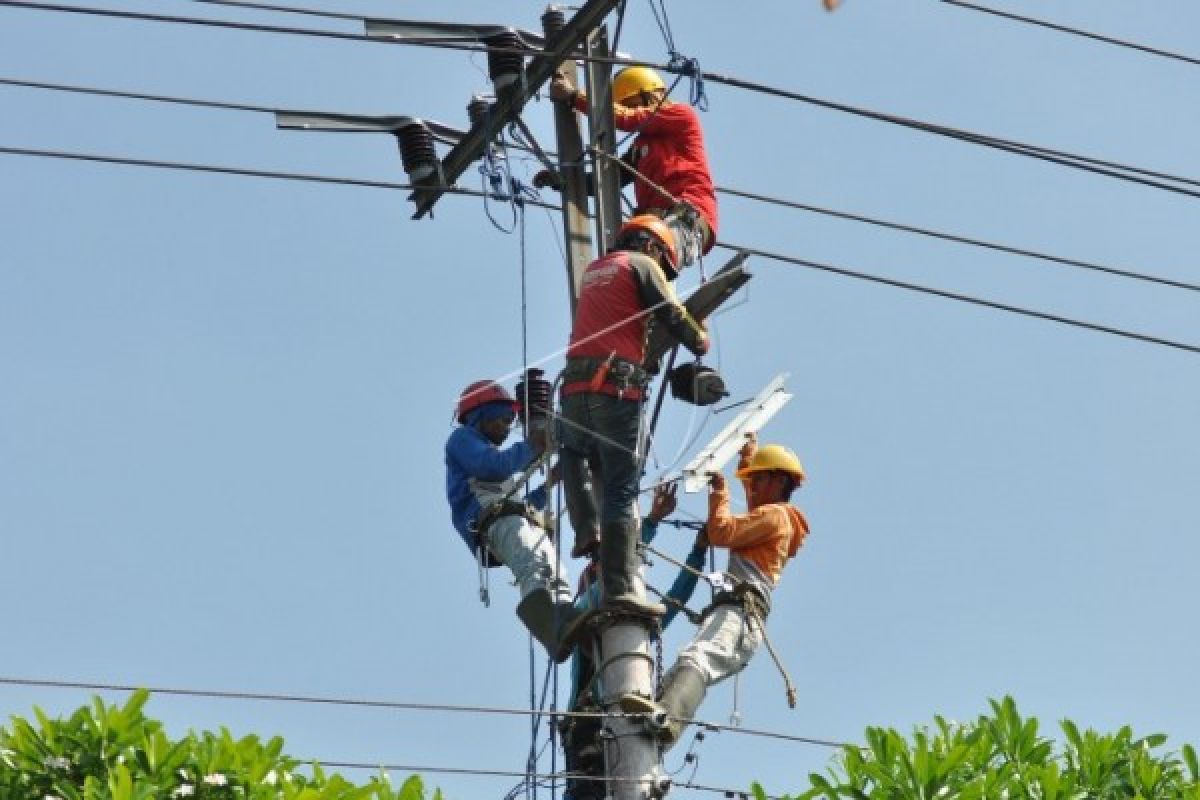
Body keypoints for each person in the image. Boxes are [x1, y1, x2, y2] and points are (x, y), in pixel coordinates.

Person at [557, 215, 709, 616]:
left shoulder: (594, 271)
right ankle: (621, 588)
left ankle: (585, 529)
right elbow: (671, 313)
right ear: (654, 247)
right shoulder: (642, 265)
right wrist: (700, 338)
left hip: (572, 390)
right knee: (622, 489)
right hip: (615, 389)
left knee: (572, 454)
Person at [620, 434, 810, 747]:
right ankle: (657, 735)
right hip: (738, 613)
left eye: (758, 480)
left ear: (778, 482)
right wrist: (748, 458)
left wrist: (719, 492)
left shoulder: (775, 516)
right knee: (686, 665)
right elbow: (752, 503)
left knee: (697, 660)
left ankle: (665, 719)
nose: (753, 486)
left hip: (740, 613)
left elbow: (721, 533)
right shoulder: (772, 515)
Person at [561, 483, 708, 800]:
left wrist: (697, 553)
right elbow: (617, 567)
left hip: (613, 724)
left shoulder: (636, 621)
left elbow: (675, 600)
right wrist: (651, 523)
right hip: (585, 724)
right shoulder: (586, 606)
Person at [444, 379, 587, 662]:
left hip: (512, 517)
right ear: (480, 414)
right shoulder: (462, 441)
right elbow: (492, 467)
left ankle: (567, 620)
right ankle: (549, 627)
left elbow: (520, 502)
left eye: (511, 419)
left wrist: (550, 483)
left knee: (556, 571)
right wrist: (533, 446)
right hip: (494, 521)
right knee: (531, 565)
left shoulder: (496, 460)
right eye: (503, 418)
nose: (508, 425)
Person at [549, 65, 717, 268]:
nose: (634, 110)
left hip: (687, 216)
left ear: (651, 95)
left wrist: (574, 96)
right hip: (653, 226)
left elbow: (626, 118)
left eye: (633, 104)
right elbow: (609, 180)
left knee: (643, 259)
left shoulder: (680, 115)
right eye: (626, 105)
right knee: (616, 268)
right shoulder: (641, 147)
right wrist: (563, 180)